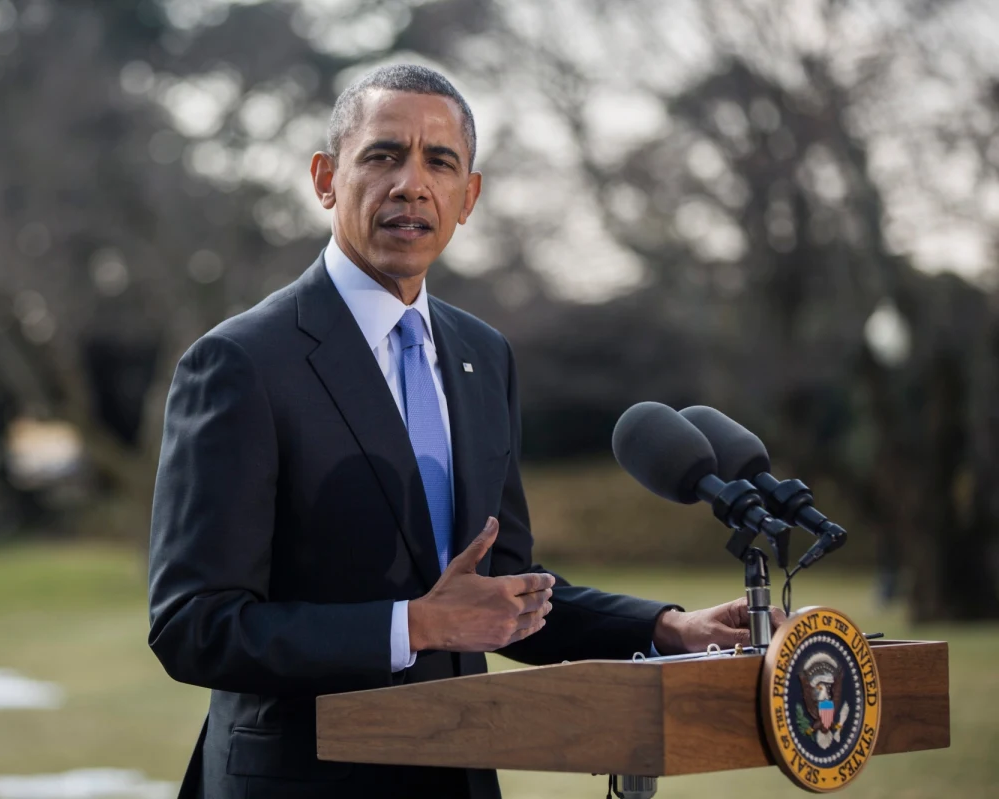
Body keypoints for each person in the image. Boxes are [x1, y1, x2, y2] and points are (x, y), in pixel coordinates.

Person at [148, 64, 781, 799]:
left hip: (458, 773)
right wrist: (412, 624)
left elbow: (503, 595)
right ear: (325, 178)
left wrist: (668, 628)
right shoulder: (240, 363)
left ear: (467, 197)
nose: (411, 184)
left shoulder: (483, 354)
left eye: (439, 162)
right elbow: (195, 625)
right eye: (383, 155)